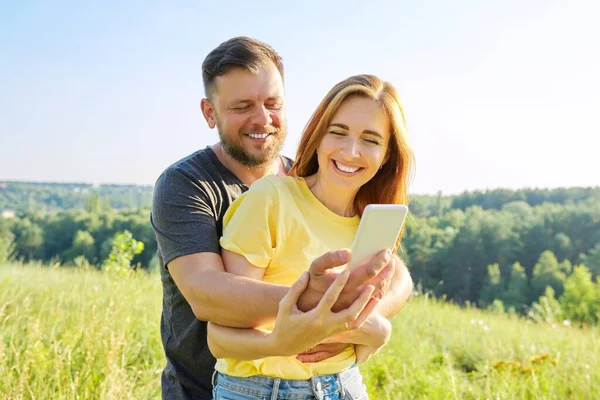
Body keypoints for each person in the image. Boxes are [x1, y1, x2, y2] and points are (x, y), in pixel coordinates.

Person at [150, 36, 414, 399]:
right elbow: (207, 294)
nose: (262, 119)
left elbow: (395, 271)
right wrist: (324, 307)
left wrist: (369, 323)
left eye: (272, 103)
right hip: (205, 385)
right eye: (242, 106)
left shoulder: (315, 180)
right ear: (209, 113)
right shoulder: (186, 185)